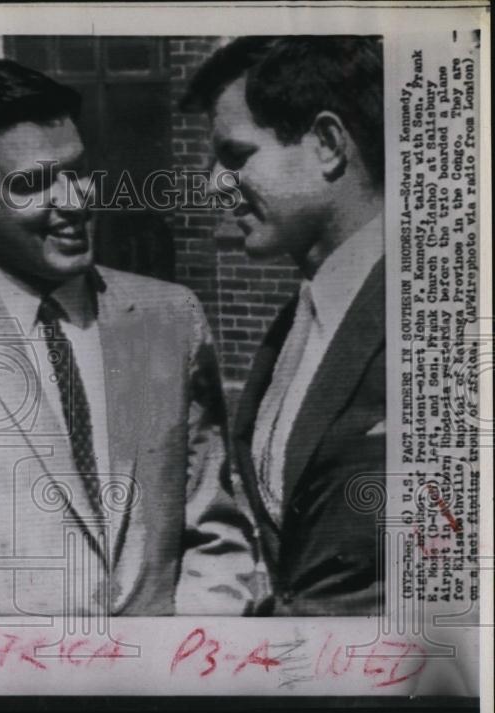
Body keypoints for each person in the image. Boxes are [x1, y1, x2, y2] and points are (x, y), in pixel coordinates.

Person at [0, 59, 254, 619]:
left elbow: (216, 532)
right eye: (32, 183)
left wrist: (184, 668)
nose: (72, 201)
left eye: (78, 171)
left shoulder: (171, 317)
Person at [182, 37, 385, 615]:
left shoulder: (440, 311)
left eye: (235, 156)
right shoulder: (295, 323)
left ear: (326, 145)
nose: (213, 185)